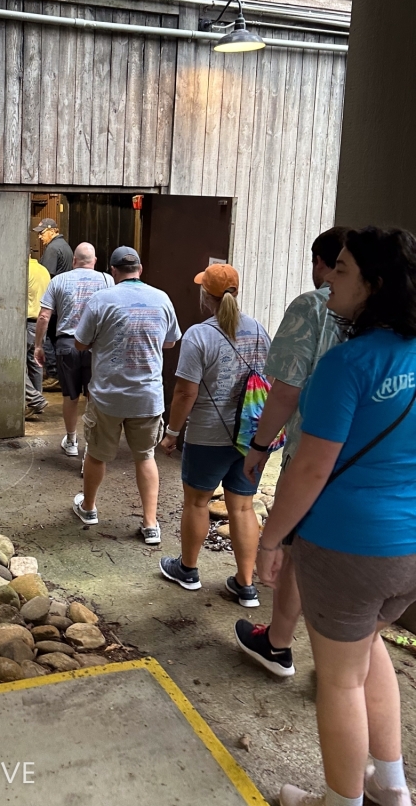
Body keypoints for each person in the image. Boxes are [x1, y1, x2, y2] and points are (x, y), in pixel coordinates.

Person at [257, 228, 416, 806]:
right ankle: (390, 785)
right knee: (370, 649)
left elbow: (308, 471)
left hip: (349, 547)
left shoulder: (347, 364)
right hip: (408, 549)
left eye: (342, 270)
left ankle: (340, 800)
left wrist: (271, 540)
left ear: (374, 286)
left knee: (340, 679)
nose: (329, 281)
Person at [234, 226, 348, 676]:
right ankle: (345, 657)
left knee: (296, 549)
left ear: (322, 264)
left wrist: (261, 444)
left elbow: (285, 390)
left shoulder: (313, 306)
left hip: (312, 451)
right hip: (373, 465)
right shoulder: (391, 322)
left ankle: (279, 643)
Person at [157, 264, 270, 608]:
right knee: (243, 506)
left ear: (206, 296)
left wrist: (172, 433)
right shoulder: (260, 331)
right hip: (249, 436)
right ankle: (245, 585)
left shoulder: (198, 336)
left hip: (208, 435)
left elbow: (184, 394)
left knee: (197, 502)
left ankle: (188, 569)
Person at [72, 247, 181, 545]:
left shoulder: (101, 299)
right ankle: (150, 524)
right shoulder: (162, 299)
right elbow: (171, 342)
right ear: (140, 269)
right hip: (147, 396)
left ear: (113, 272)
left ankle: (89, 508)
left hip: (108, 396)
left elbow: (80, 343)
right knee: (145, 457)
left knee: (96, 454)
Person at [34, 243, 113, 457]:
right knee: (93, 397)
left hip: (67, 345)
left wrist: (39, 346)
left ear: (73, 261)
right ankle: (91, 445)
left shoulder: (58, 280)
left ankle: (71, 441)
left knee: (70, 397)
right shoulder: (108, 280)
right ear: (94, 261)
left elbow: (43, 316)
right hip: (95, 347)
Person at [32, 217, 73, 382]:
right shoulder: (65, 246)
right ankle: (60, 372)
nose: (40, 237)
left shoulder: (53, 249)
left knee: (46, 335)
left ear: (52, 231)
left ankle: (53, 373)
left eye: (42, 233)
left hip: (53, 301)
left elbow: (46, 275)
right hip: (63, 300)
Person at [25, 256, 50, 419]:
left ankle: (35, 399)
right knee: (36, 362)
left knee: (18, 365)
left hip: (27, 322)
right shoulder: (44, 270)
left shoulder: (24, 270)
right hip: (41, 321)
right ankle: (37, 403)